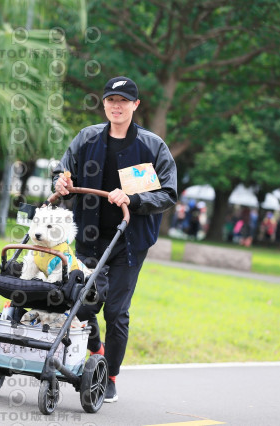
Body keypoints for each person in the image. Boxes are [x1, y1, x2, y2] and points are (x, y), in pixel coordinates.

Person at [52, 76, 177, 403]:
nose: (116, 106)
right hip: (89, 239)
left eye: (123, 101)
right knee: (82, 303)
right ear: (104, 104)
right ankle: (97, 351)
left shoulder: (152, 146)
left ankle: (109, 376)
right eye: (111, 100)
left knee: (117, 313)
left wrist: (133, 200)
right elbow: (63, 172)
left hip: (129, 243)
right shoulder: (87, 138)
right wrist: (61, 183)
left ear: (135, 105)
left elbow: (167, 193)